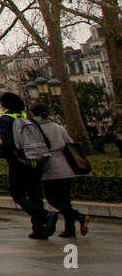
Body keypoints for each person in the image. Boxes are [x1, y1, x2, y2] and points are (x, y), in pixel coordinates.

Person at [0, 92, 56, 239]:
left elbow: (8, 144)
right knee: (36, 195)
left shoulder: (5, 120)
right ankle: (39, 229)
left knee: (18, 195)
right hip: (37, 161)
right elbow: (46, 141)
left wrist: (2, 154)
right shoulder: (29, 119)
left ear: (5, 105)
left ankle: (45, 215)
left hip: (19, 162)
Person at [29, 102, 90, 239]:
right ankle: (70, 230)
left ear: (33, 114)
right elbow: (69, 142)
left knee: (52, 199)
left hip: (49, 167)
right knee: (65, 199)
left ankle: (79, 216)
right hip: (65, 166)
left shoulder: (35, 129)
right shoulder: (58, 127)